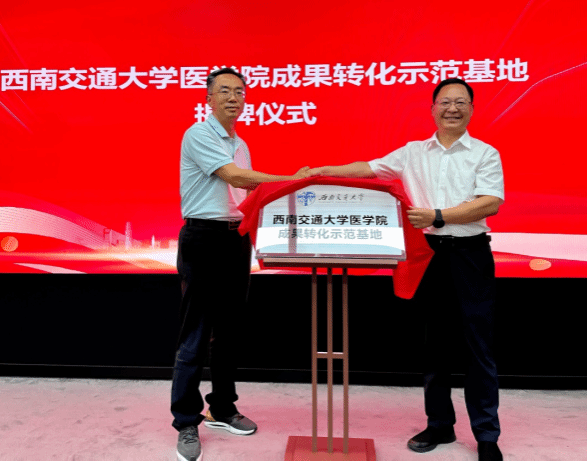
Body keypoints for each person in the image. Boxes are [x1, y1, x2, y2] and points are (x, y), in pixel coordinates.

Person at [309, 78, 505, 461]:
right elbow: (367, 169)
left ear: (471, 109)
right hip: (428, 254)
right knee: (435, 344)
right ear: (432, 109)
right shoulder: (413, 152)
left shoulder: (485, 153)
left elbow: (490, 203)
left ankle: (486, 435)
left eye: (460, 102)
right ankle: (440, 424)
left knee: (478, 347)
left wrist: (437, 216)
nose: (452, 108)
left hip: (470, 255)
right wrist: (317, 172)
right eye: (445, 102)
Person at [173, 67, 310, 462]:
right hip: (203, 238)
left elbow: (246, 195)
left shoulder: (241, 142)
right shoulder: (198, 134)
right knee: (196, 334)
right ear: (208, 99)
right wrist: (291, 179)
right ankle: (186, 421)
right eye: (224, 91)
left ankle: (222, 408)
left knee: (229, 331)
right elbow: (235, 177)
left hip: (235, 238)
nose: (233, 98)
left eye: (239, 92)